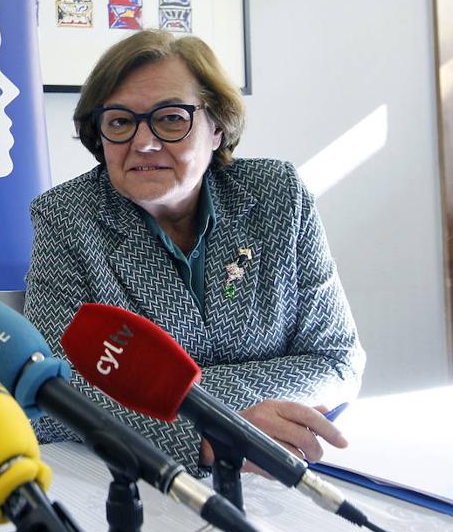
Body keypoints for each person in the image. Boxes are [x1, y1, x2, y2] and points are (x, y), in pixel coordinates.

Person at [24, 30, 365, 474]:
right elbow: (52, 394)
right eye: (120, 121)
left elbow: (337, 361)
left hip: (291, 466)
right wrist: (209, 435)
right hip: (136, 478)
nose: (143, 142)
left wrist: (159, 395)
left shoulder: (278, 194)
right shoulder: (67, 218)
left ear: (217, 126)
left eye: (170, 119)